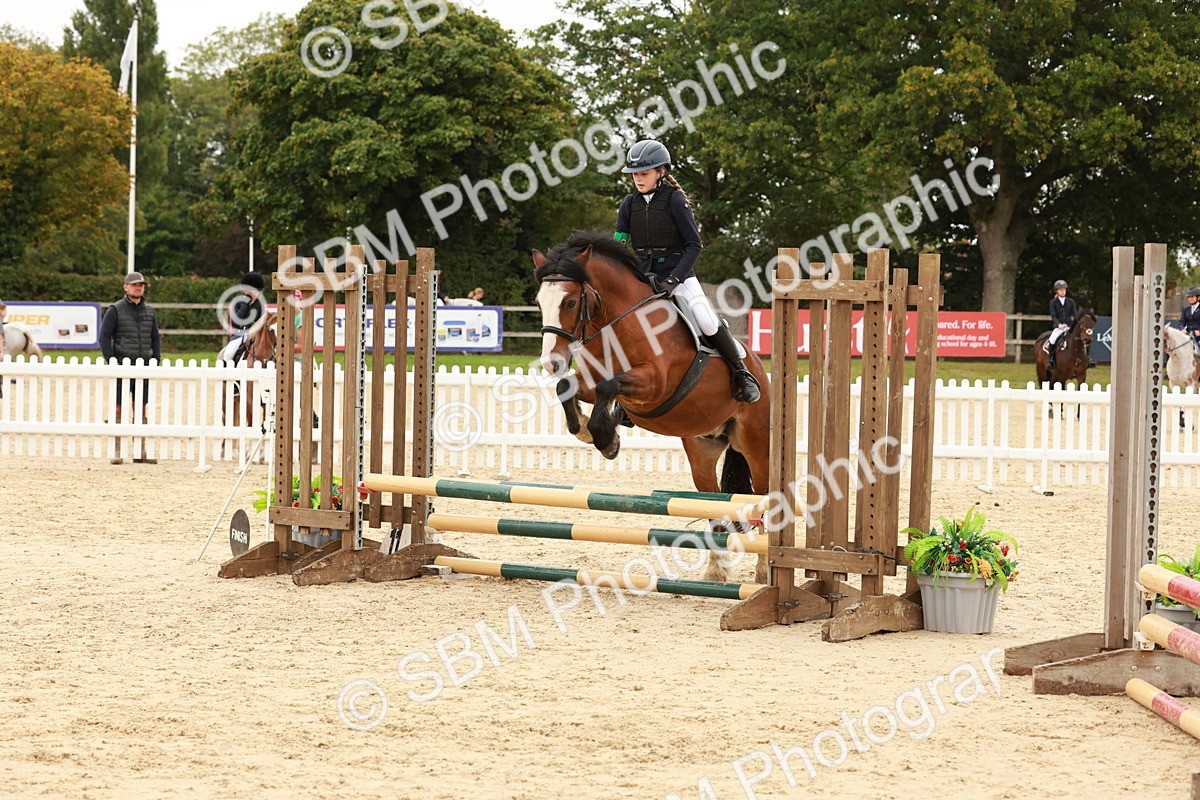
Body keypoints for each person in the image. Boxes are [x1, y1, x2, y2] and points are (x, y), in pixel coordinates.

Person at [613, 139, 760, 403]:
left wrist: (673, 280)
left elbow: (694, 245)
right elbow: (619, 246)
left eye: (644, 173)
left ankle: (741, 373)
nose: (638, 178)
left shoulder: (674, 200)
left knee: (704, 318)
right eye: (634, 174)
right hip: (643, 278)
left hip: (678, 275)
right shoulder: (628, 204)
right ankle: (624, 394)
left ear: (661, 172)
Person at [99, 272, 161, 461]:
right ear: (125, 287)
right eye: (134, 285)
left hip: (143, 366)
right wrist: (111, 360)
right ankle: (117, 451)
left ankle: (140, 451)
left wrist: (155, 359)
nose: (138, 288)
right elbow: (104, 337)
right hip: (122, 365)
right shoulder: (115, 310)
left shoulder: (150, 311)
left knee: (141, 408)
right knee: (118, 408)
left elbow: (155, 337)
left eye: (141, 285)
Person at [218, 272, 267, 363]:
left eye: (258, 291)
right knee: (228, 354)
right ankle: (226, 375)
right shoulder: (238, 303)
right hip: (240, 335)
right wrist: (245, 303)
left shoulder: (261, 304)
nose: (256, 294)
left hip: (257, 335)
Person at [1045, 279, 1077, 370]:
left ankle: (1088, 359)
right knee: (1052, 339)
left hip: (1069, 326)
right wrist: (1058, 324)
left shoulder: (1071, 301)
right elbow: (1053, 315)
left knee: (1080, 338)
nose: (1063, 291)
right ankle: (1051, 360)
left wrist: (1076, 322)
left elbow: (1075, 314)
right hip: (1059, 327)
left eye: (1064, 290)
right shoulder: (1053, 302)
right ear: (1057, 291)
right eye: (1061, 290)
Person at [1180, 287, 1200, 352]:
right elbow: (1181, 322)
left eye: (1192, 297)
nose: (1190, 299)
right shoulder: (1186, 310)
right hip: (1188, 335)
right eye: (1189, 297)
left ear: (1198, 297)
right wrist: (1182, 329)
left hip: (1198, 336)